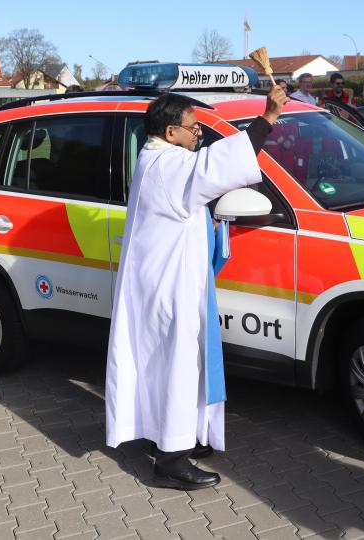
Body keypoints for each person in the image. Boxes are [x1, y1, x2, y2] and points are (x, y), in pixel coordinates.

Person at [106, 86, 289, 490]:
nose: (199, 134)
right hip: (172, 288)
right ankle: (171, 461)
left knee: (167, 365)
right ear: (170, 132)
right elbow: (221, 164)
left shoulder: (154, 158)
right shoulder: (170, 165)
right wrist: (269, 118)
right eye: (193, 128)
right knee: (179, 366)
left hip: (162, 282)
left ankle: (174, 436)